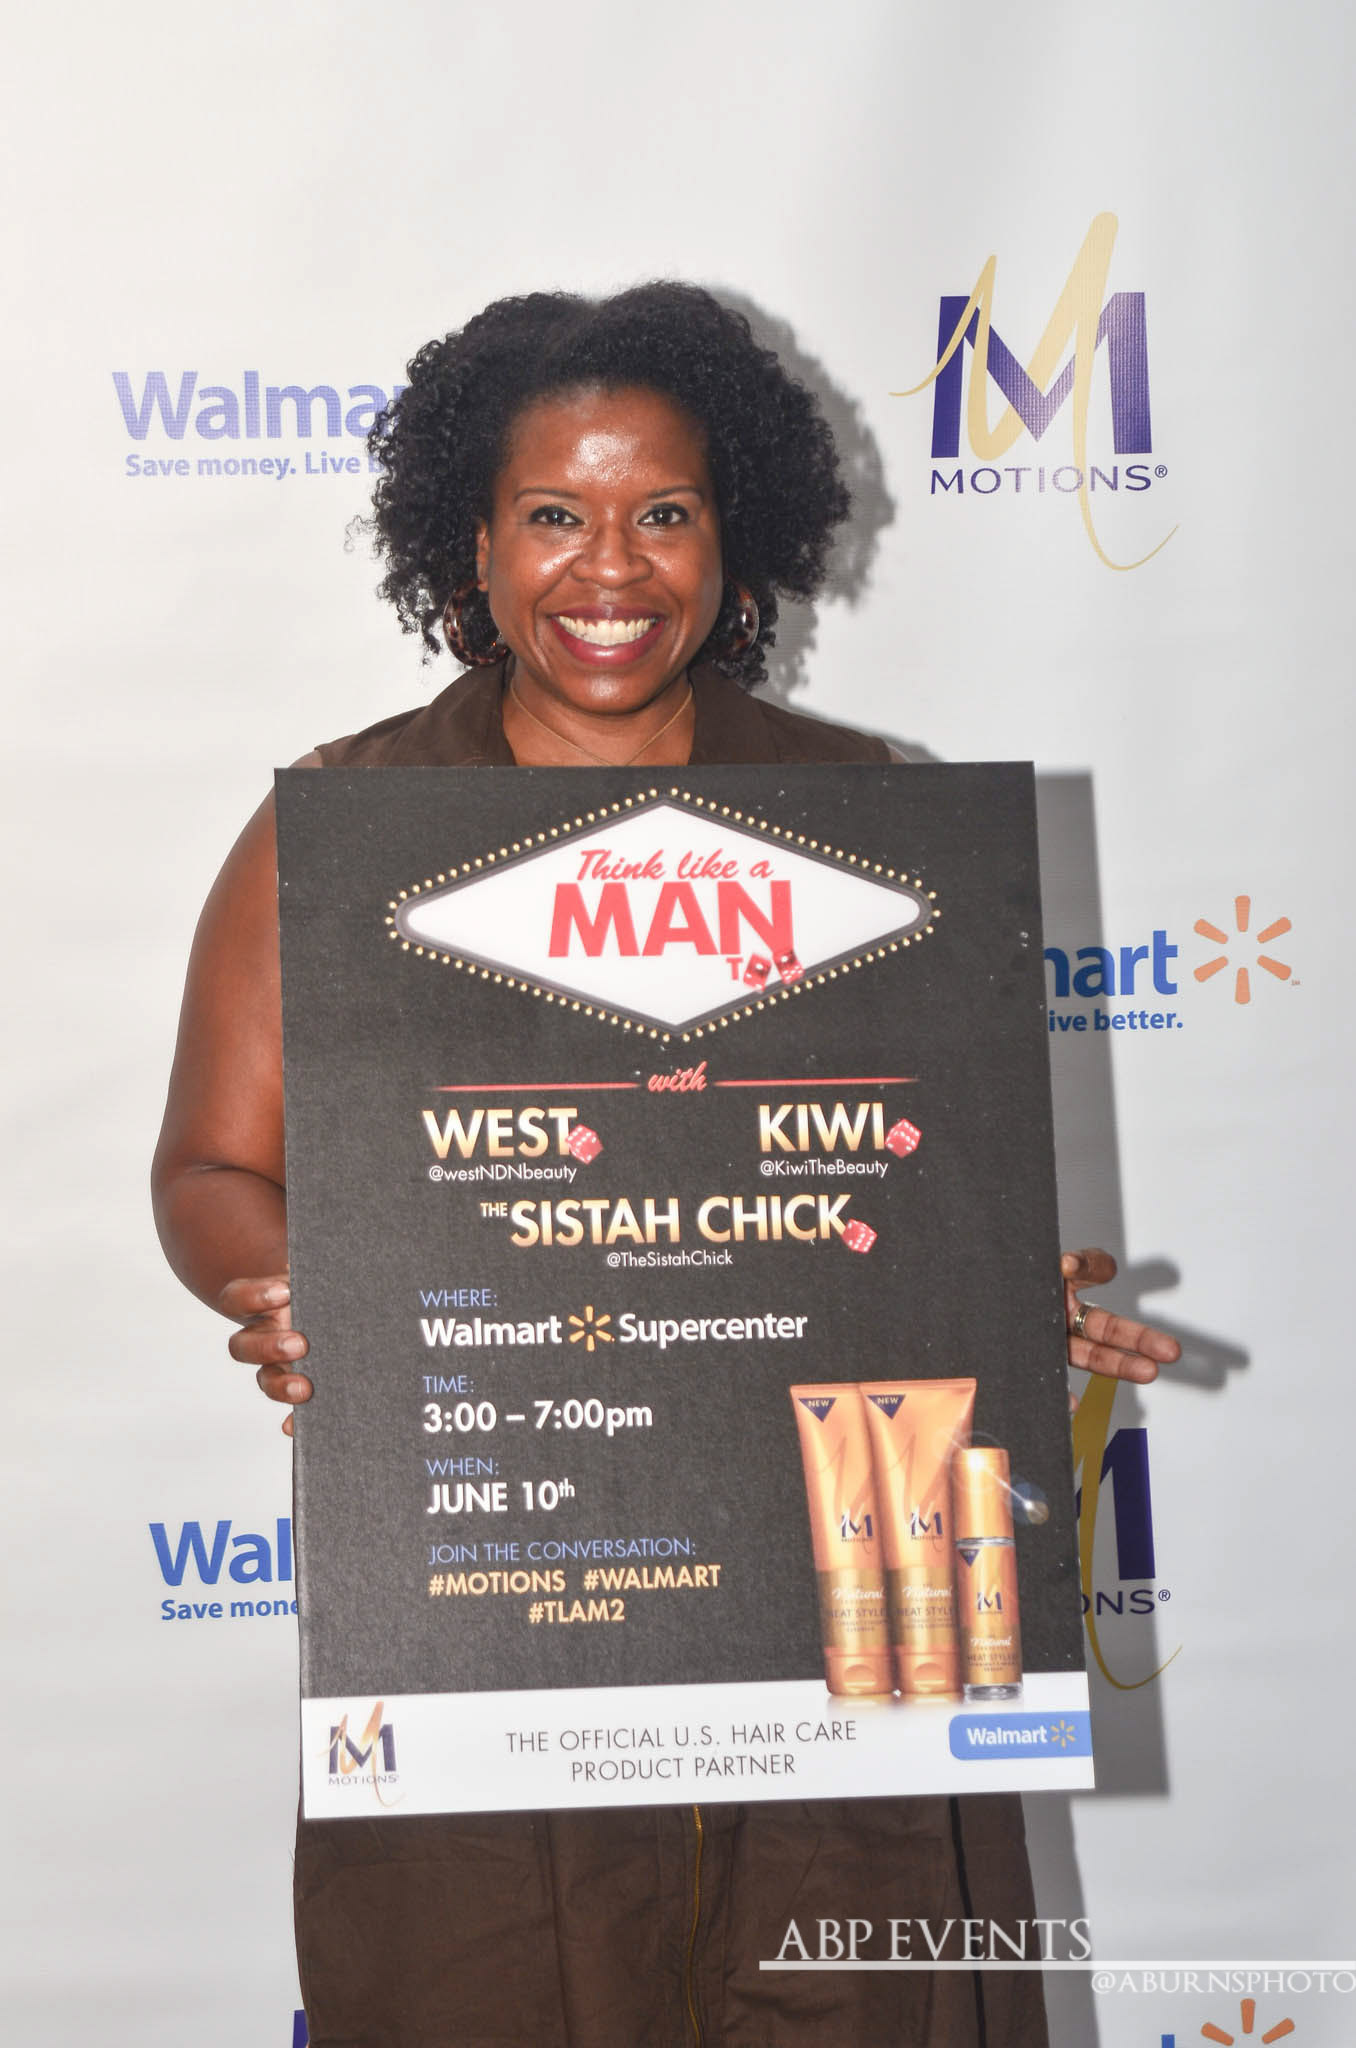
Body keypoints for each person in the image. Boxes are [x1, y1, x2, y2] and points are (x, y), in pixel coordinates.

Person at [152, 284, 1179, 2048]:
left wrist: (1006, 1303)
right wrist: (300, 1286)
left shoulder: (874, 818)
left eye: (666, 513)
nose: (610, 569)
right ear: (475, 546)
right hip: (486, 1600)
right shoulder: (343, 826)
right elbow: (208, 1167)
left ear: (733, 537)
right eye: (555, 513)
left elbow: (915, 1195)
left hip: (845, 1622)